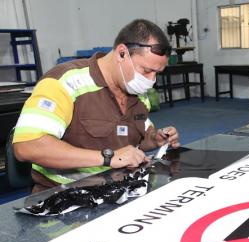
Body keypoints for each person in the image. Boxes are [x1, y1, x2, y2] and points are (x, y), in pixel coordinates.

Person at [13, 19, 180, 193]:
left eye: (157, 73)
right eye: (146, 71)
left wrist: (155, 139)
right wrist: (109, 158)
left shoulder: (137, 92)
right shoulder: (65, 82)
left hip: (118, 191)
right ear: (122, 53)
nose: (151, 80)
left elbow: (134, 141)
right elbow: (27, 146)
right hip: (63, 198)